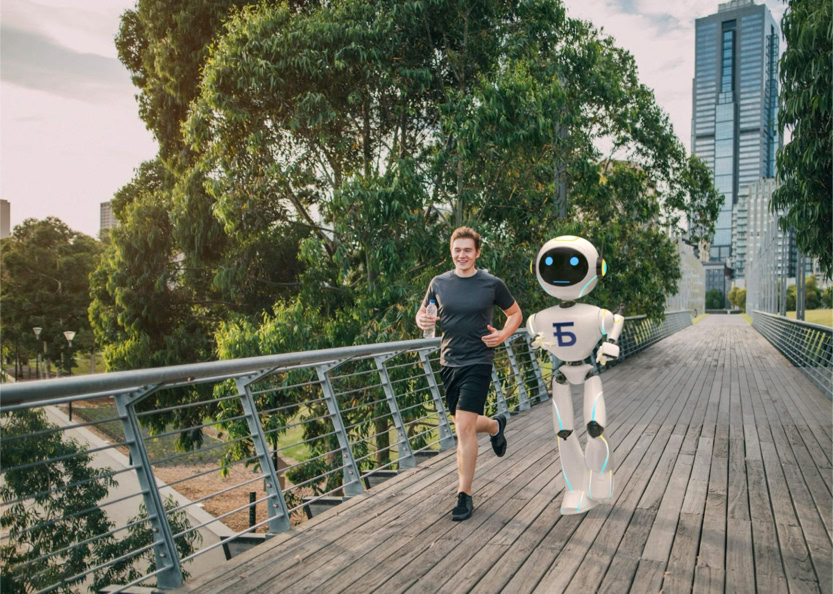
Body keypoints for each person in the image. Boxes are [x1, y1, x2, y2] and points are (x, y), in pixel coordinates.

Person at [416, 226, 522, 521]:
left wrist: (502, 335)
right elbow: (423, 313)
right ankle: (494, 426)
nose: (462, 255)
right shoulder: (438, 283)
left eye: (467, 250)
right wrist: (422, 317)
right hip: (449, 361)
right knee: (464, 424)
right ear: (451, 251)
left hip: (479, 361)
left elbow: (515, 313)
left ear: (477, 253)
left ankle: (464, 495)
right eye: (457, 249)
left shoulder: (491, 284)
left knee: (463, 428)